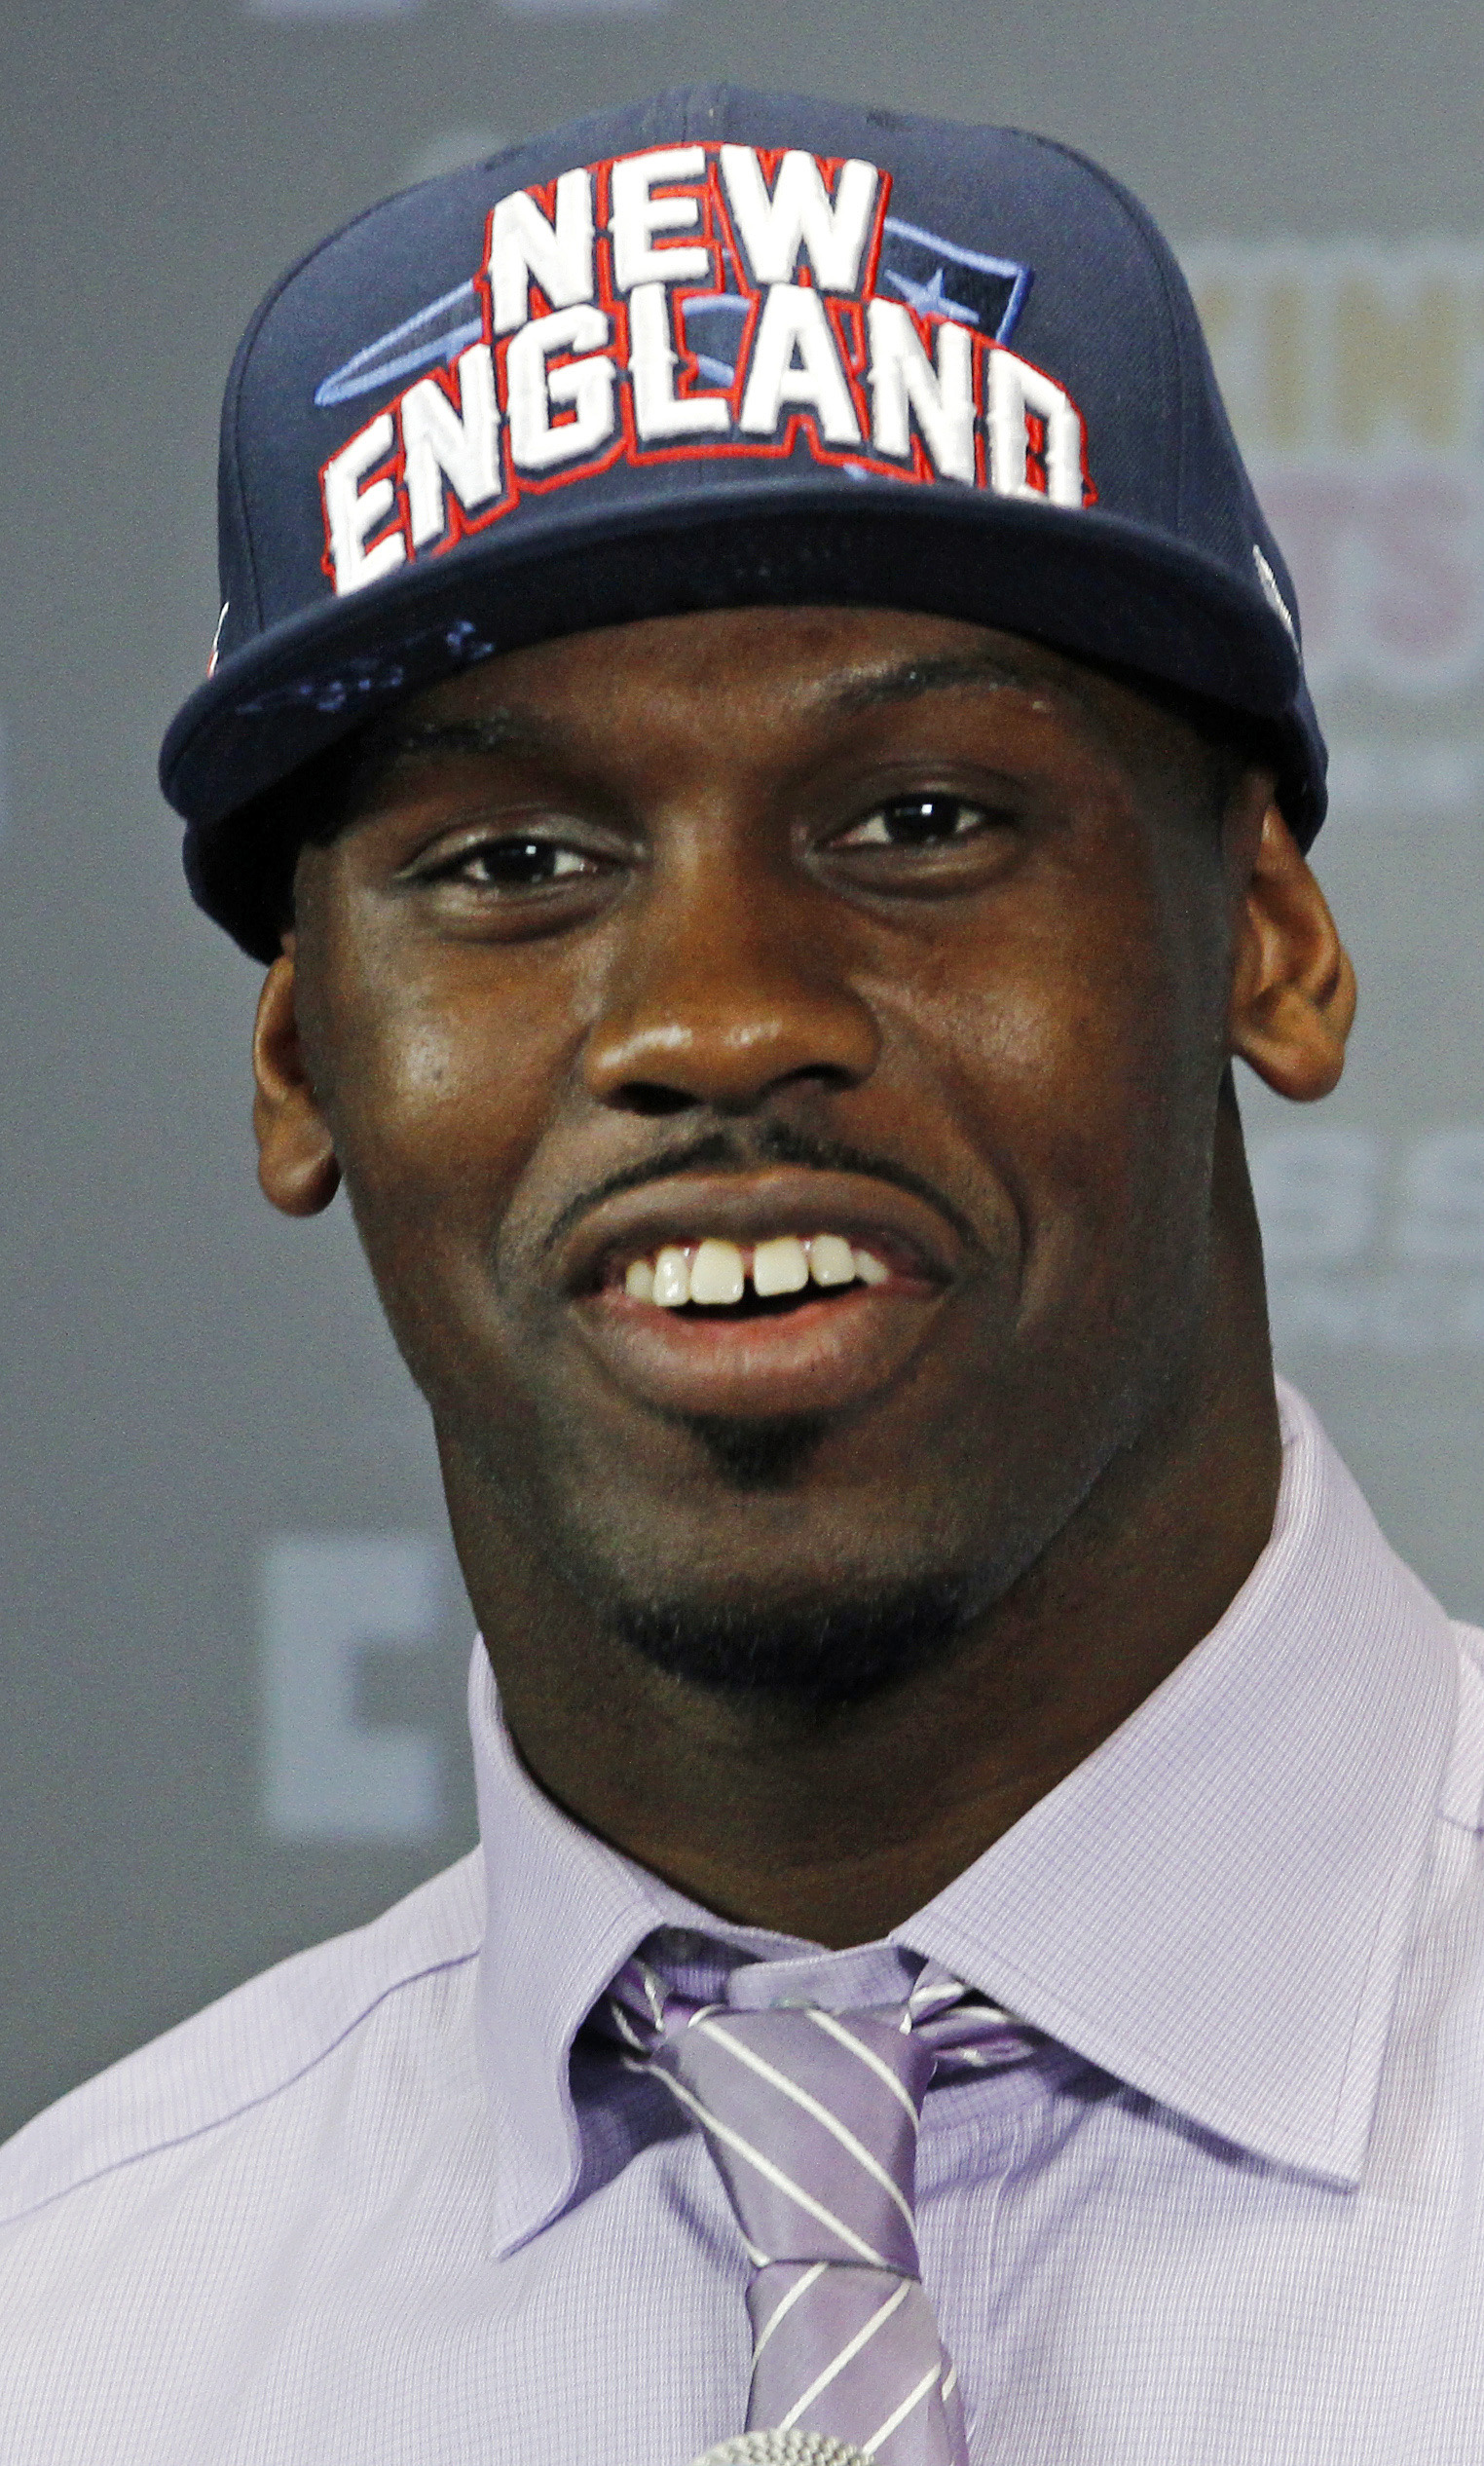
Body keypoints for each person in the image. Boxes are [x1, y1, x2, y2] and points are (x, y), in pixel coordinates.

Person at [2, 85, 1480, 2466]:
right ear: (299, 1062)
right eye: (511, 863)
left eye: (921, 820)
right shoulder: (75, 2349)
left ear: (1275, 941)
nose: (713, 1018)